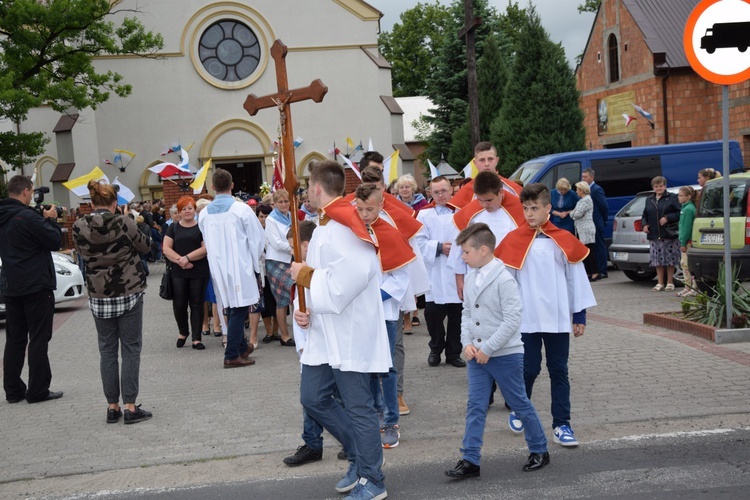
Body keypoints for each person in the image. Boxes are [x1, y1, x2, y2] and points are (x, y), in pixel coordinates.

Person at [290, 160, 390, 500]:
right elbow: (324, 277)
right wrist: (307, 313)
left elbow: (353, 277)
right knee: (313, 396)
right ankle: (359, 455)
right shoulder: (324, 225)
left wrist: (305, 277)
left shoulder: (347, 223)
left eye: (307, 186)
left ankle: (372, 479)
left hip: (350, 332)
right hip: (325, 329)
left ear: (317, 188)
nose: (305, 191)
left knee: (358, 406)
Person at [445, 223, 549, 480]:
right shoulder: (470, 277)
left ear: (483, 250)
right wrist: (466, 343)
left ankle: (539, 449)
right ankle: (470, 459)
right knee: (475, 406)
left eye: (466, 252)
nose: (463, 257)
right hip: (476, 355)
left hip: (505, 354)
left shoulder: (504, 278)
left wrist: (488, 348)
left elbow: (513, 320)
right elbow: (467, 312)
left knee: (519, 403)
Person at [496, 183, 596, 448]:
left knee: (559, 370)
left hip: (557, 316)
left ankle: (562, 424)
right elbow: (507, 283)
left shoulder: (562, 240)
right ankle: (520, 408)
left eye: (534, 208)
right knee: (528, 369)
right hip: (526, 318)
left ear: (547, 208)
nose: (529, 214)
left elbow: (576, 278)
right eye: (525, 208)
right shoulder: (513, 239)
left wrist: (579, 315)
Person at [73, 180, 153, 424]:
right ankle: (130, 407)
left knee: (107, 350)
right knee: (130, 349)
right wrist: (129, 219)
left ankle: (112, 406)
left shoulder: (78, 225)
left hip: (98, 293)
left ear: (92, 202)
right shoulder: (123, 222)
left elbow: (82, 254)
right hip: (128, 290)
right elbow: (146, 247)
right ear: (114, 203)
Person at [354, 182, 414, 450]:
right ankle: (375, 413)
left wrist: (375, 298)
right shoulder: (352, 233)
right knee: (367, 366)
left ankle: (391, 421)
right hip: (359, 312)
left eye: (370, 209)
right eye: (361, 209)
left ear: (381, 205)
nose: (365, 214)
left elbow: (400, 277)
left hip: (385, 312)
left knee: (387, 369)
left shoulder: (390, 233)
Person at [0, 175, 63, 404]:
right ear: (26, 192)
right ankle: (38, 391)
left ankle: (13, 390)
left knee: (15, 339)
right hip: (36, 285)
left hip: (11, 285)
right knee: (38, 338)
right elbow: (55, 240)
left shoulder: (4, 216)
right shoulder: (26, 217)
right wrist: (51, 219)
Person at [198, 169, 265, 368]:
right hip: (239, 264)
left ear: (213, 187)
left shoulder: (203, 213)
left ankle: (242, 346)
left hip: (218, 266)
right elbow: (257, 238)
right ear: (232, 185)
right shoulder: (241, 209)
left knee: (230, 304)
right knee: (238, 308)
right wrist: (255, 263)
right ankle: (232, 354)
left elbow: (205, 238)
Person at [283, 220, 332, 467]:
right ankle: (312, 443)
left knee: (338, 397)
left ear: (306, 245)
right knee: (309, 397)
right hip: (310, 345)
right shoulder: (298, 273)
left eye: (294, 247)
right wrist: (301, 344)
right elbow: (298, 311)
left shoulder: (323, 270)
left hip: (330, 344)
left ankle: (350, 442)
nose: (292, 252)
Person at [415, 176, 464, 367]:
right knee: (433, 314)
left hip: (456, 271)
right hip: (435, 271)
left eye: (444, 191)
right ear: (430, 193)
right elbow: (418, 241)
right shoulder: (423, 215)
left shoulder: (461, 212)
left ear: (451, 190)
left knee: (456, 315)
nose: (441, 195)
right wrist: (438, 247)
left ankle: (453, 353)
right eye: (436, 192)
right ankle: (435, 348)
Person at [162, 196, 210, 350]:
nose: (187, 211)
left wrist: (188, 258)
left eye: (190, 208)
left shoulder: (201, 227)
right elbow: (166, 248)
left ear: (194, 209)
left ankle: (197, 338)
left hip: (198, 270)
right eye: (184, 209)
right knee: (179, 304)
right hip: (178, 271)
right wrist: (180, 260)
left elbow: (205, 248)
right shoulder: (173, 228)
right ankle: (183, 332)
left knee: (197, 304)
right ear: (179, 212)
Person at [264, 189, 296, 346]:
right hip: (276, 261)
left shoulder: (291, 216)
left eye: (286, 201)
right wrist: (294, 247)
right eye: (280, 202)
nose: (284, 204)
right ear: (275, 204)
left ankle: (298, 332)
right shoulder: (271, 220)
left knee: (296, 296)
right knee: (283, 298)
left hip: (291, 260)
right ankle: (284, 335)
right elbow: (276, 243)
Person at [448, 141, 522, 210]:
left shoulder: (513, 189)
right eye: (482, 160)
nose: (486, 164)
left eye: (490, 159)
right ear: (475, 163)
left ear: (497, 161)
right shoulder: (465, 192)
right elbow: (461, 222)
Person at [641, 176, 682, 292]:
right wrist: (644, 224)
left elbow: (679, 212)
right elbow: (645, 214)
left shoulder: (672, 197)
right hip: (654, 234)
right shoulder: (649, 199)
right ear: (653, 187)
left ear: (665, 186)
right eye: (656, 186)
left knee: (670, 259)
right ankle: (659, 283)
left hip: (668, 233)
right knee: (657, 260)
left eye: (661, 186)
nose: (659, 188)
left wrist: (668, 218)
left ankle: (670, 282)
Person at [581, 168, 609, 279]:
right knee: (593, 248)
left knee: (600, 246)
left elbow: (604, 206)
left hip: (596, 222)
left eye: (585, 177)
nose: (583, 179)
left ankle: (603, 270)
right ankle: (595, 270)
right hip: (589, 224)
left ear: (592, 177)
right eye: (582, 177)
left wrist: (603, 220)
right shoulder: (586, 190)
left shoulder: (596, 190)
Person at [570, 182, 600, 281]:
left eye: (578, 189)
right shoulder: (581, 201)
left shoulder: (586, 200)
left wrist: (572, 213)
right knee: (585, 252)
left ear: (582, 190)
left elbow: (577, 214)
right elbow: (575, 213)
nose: (576, 191)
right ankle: (588, 272)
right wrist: (573, 213)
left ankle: (595, 272)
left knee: (590, 251)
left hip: (586, 229)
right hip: (581, 229)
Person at [677, 186, 698, 297]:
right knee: (685, 264)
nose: (678, 197)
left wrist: (683, 242)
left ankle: (693, 287)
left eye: (681, 195)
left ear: (688, 196)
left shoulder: (688, 209)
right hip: (687, 240)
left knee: (688, 265)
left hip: (688, 241)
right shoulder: (686, 208)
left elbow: (686, 227)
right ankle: (687, 287)